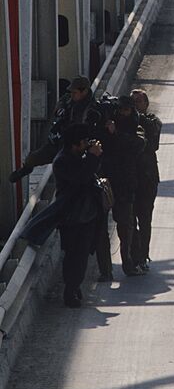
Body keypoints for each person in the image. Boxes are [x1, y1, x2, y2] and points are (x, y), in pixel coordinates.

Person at [9, 76, 106, 182]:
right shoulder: (68, 99)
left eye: (75, 92)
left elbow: (92, 130)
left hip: (77, 148)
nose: (72, 95)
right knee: (32, 158)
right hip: (59, 141)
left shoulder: (92, 109)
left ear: (84, 91)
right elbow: (60, 103)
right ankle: (25, 170)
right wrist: (60, 110)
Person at [53, 123, 104, 308]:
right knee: (75, 255)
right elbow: (81, 179)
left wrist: (93, 156)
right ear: (75, 144)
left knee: (81, 254)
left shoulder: (78, 156)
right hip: (72, 217)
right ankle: (71, 289)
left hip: (86, 215)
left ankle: (73, 286)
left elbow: (90, 173)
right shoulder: (63, 161)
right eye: (83, 142)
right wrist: (91, 157)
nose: (86, 145)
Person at [101, 96, 146, 277]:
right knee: (100, 230)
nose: (122, 114)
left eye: (126, 110)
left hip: (125, 184)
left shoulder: (138, 127)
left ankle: (131, 262)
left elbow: (136, 144)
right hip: (106, 181)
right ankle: (106, 270)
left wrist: (115, 133)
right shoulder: (109, 125)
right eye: (120, 110)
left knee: (126, 225)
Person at [130, 89, 162, 270]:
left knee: (144, 219)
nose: (135, 106)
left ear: (146, 104)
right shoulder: (124, 122)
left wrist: (137, 118)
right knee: (129, 220)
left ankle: (142, 256)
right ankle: (134, 254)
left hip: (147, 178)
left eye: (138, 102)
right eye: (132, 102)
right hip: (129, 178)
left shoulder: (152, 121)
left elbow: (153, 142)